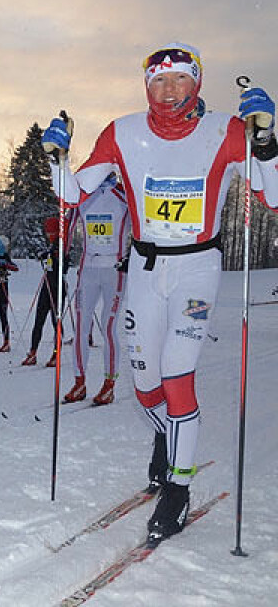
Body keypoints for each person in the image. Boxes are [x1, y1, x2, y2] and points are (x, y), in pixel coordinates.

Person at [41, 42, 278, 543]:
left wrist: (267, 140)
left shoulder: (225, 130)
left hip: (197, 267)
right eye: (158, 81)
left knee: (176, 370)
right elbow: (72, 193)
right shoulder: (123, 132)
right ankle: (166, 436)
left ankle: (178, 485)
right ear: (146, 86)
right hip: (146, 270)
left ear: (197, 83)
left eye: (180, 79)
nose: (168, 90)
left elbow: (272, 197)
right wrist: (58, 159)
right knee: (145, 381)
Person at [62, 173, 130, 406]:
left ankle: (109, 384)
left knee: (108, 326)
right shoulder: (85, 195)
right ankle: (79, 381)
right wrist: (62, 251)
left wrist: (137, 253)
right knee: (81, 326)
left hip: (115, 268)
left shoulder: (123, 194)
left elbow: (142, 223)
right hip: (88, 268)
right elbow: (68, 220)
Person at [21, 216, 70, 367]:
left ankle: (56, 355)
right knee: (38, 321)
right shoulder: (52, 246)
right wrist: (45, 256)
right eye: (47, 232)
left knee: (56, 323)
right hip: (46, 286)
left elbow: (64, 267)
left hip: (57, 288)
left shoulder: (62, 245)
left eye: (50, 232)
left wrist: (54, 258)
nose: (48, 235)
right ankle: (33, 352)